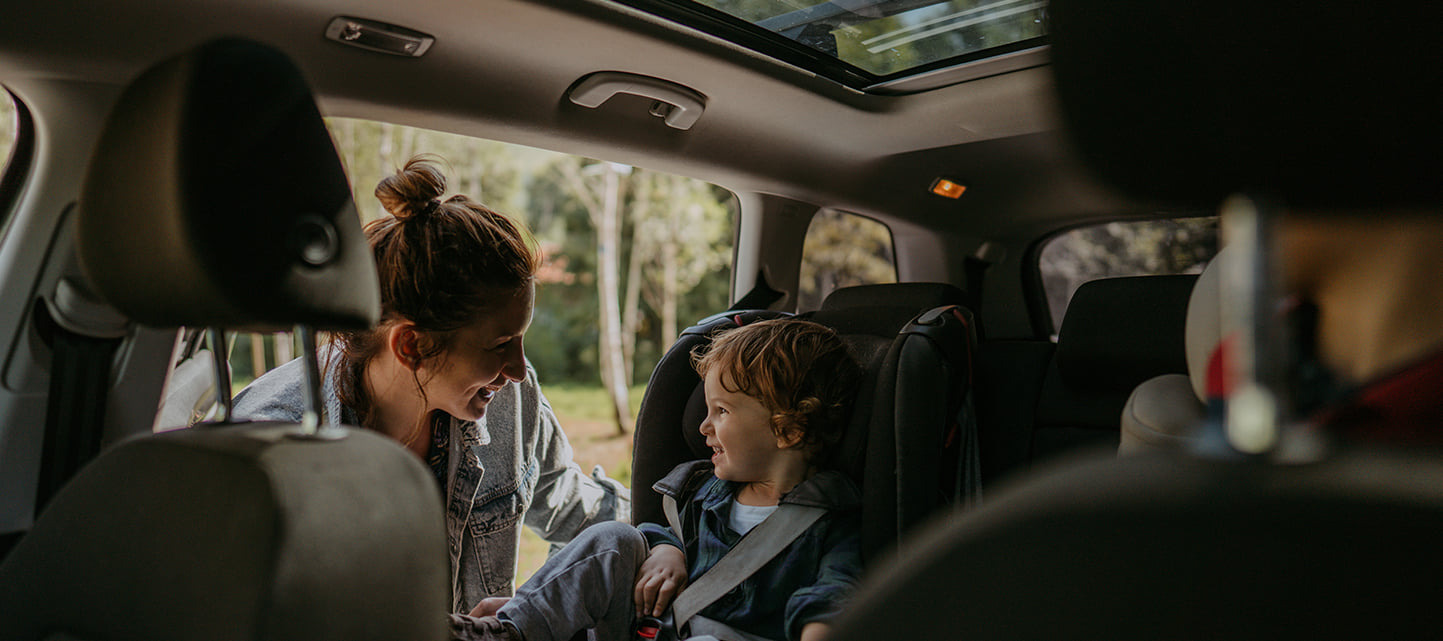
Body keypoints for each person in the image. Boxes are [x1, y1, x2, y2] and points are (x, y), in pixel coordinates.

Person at [232, 155, 629, 614]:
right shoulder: (273, 446)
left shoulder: (508, 399)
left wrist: (663, 540)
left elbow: (574, 506)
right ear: (412, 347)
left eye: (522, 339)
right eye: (501, 344)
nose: (520, 370)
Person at [450, 318, 864, 641]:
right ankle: (512, 631)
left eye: (722, 411)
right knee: (616, 539)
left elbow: (831, 594)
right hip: (649, 630)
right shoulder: (703, 493)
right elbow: (662, 530)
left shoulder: (829, 525)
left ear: (788, 429)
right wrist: (667, 550)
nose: (703, 427)